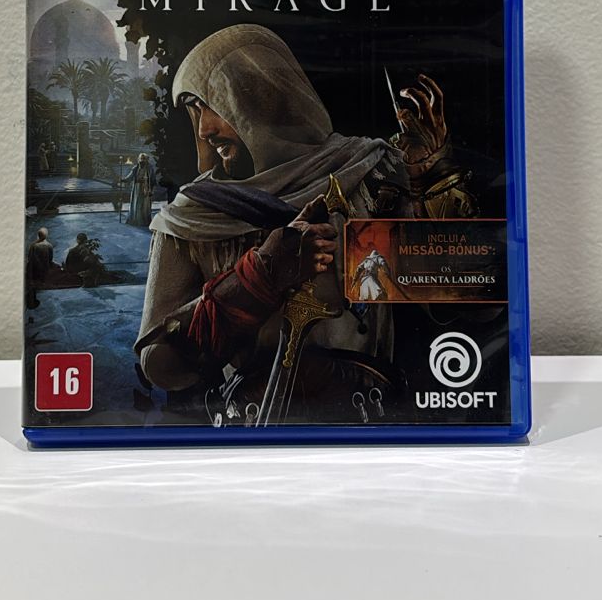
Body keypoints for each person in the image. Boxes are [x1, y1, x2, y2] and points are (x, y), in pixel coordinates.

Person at [134, 24, 475, 422]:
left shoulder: (371, 176)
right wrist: (258, 277)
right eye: (196, 109)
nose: (205, 129)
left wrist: (436, 186)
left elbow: (466, 303)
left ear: (264, 95)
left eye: (215, 105)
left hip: (369, 425)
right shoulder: (193, 215)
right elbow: (161, 366)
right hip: (255, 429)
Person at [125, 152, 155, 228]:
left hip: (146, 189)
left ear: (146, 160)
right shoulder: (135, 168)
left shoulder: (150, 168)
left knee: (144, 206)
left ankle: (144, 222)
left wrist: (151, 190)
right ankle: (135, 221)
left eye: (144, 159)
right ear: (138, 159)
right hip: (137, 189)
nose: (142, 160)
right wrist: (123, 180)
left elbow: (153, 180)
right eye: (141, 159)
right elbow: (130, 177)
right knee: (136, 204)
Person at [26, 227, 53, 308]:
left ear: (38, 235)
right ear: (46, 236)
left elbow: (30, 258)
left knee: (32, 284)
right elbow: (50, 259)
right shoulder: (49, 245)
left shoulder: (33, 245)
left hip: (34, 269)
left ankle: (31, 302)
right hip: (44, 270)